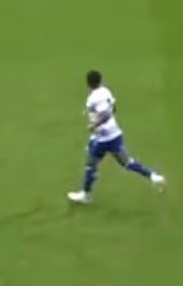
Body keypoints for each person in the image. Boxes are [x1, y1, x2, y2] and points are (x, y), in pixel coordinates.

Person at [65, 70, 166, 205]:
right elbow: (113, 109)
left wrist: (94, 125)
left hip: (103, 139)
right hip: (114, 134)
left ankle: (86, 195)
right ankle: (153, 176)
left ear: (88, 83)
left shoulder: (93, 98)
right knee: (127, 162)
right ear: (100, 81)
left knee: (90, 166)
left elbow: (106, 114)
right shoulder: (105, 91)